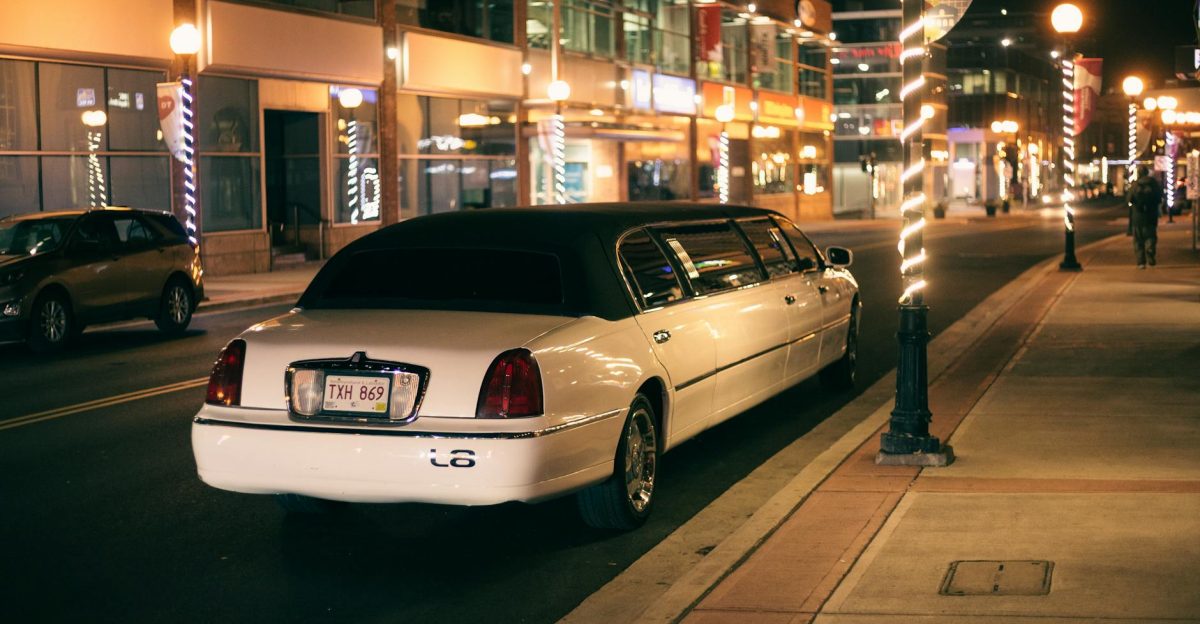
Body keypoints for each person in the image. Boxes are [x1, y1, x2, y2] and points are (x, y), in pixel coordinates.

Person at [1125, 166, 1162, 269]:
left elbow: (1128, 199)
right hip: (1151, 216)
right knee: (1151, 237)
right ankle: (1150, 254)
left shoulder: (1135, 184)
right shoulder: (1153, 184)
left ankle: (1141, 262)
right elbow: (1159, 198)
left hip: (1137, 217)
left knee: (1138, 240)